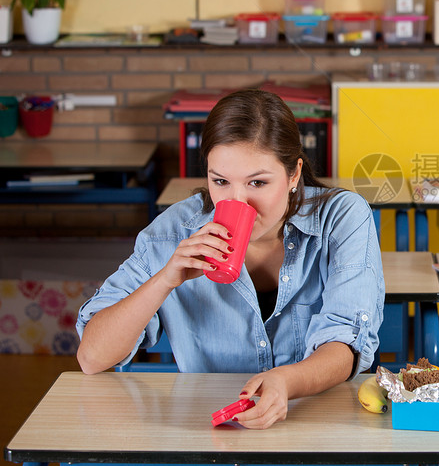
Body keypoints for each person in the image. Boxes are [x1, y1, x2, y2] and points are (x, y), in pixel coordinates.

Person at [77, 88, 384, 428]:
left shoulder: (342, 218)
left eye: (257, 182)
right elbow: (92, 359)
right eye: (220, 181)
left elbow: (347, 341)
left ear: (294, 174)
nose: (238, 201)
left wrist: (286, 382)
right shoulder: (172, 232)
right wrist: (165, 279)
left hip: (315, 419)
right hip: (208, 427)